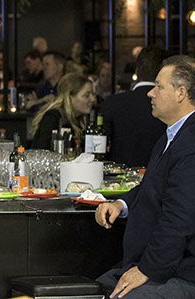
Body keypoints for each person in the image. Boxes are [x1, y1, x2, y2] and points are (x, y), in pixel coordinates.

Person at [95, 55, 195, 297]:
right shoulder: (171, 136)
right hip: (158, 265)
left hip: (180, 272)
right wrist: (121, 204)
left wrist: (146, 270)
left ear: (181, 93)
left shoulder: (190, 144)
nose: (150, 93)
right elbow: (153, 185)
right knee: (92, 287)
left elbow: (179, 220)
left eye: (159, 86)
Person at [103, 46, 167, 167]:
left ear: (137, 70)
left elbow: (100, 147)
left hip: (118, 176)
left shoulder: (112, 103)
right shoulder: (170, 105)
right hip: (160, 175)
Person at [29, 72, 96, 152]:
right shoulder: (53, 117)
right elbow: (42, 152)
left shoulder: (82, 120)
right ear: (70, 97)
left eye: (93, 94)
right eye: (87, 95)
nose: (93, 99)